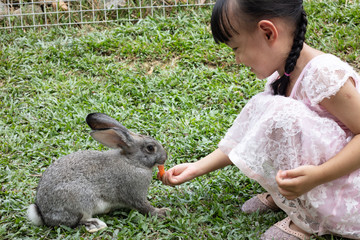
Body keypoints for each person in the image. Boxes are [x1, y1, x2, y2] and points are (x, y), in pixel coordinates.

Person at [159, 0, 360, 239]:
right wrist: (197, 168)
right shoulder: (282, 74)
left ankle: (307, 220)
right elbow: (251, 132)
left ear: (268, 32)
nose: (237, 60)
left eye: (236, 48)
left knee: (285, 115)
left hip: (348, 187)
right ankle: (291, 196)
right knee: (270, 110)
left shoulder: (323, 75)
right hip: (318, 176)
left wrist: (317, 176)